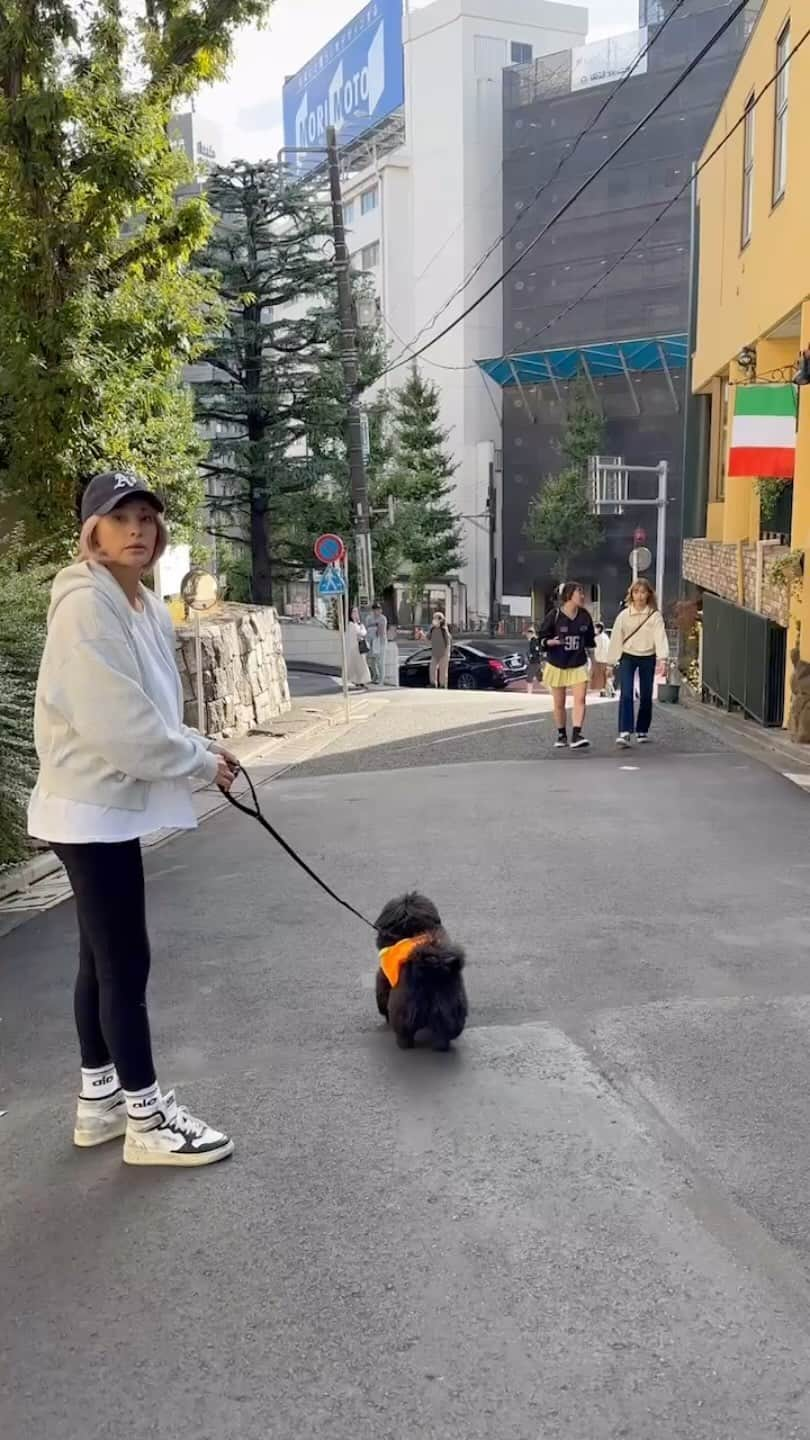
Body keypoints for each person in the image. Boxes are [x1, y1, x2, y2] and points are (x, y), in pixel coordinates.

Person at [28, 470, 238, 1168]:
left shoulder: (139, 603)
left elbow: (149, 711)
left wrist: (203, 748)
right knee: (125, 961)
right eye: (122, 519)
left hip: (100, 806)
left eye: (147, 517)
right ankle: (147, 1118)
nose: (139, 530)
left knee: (100, 957)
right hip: (89, 809)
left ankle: (101, 1101)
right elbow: (117, 724)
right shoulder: (86, 606)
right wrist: (199, 765)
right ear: (93, 532)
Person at [607, 578, 669, 747]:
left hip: (648, 656)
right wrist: (610, 662)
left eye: (643, 592)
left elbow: (660, 637)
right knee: (626, 693)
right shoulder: (624, 615)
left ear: (649, 594)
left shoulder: (654, 615)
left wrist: (662, 658)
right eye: (636, 592)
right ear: (631, 595)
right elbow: (616, 639)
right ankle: (625, 731)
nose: (640, 596)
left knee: (646, 694)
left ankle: (642, 729)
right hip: (628, 656)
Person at [539, 581, 595, 750]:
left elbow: (590, 642)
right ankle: (562, 734)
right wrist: (549, 641)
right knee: (559, 702)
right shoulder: (554, 615)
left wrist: (594, 664)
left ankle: (577, 734)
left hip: (578, 663)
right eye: (580, 593)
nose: (583, 596)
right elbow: (541, 638)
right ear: (569, 595)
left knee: (580, 699)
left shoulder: (585, 616)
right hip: (557, 663)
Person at [347, 605, 371, 689]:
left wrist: (361, 627)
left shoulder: (358, 624)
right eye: (353, 612)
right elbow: (362, 633)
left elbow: (363, 632)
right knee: (359, 665)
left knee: (362, 665)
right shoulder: (351, 624)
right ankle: (359, 681)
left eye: (356, 612)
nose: (355, 614)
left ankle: (360, 681)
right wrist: (361, 629)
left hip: (360, 648)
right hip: (354, 648)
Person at [367, 602, 388, 686]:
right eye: (375, 610)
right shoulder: (369, 618)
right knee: (371, 660)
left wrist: (376, 628)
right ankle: (375, 676)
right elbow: (367, 628)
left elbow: (381, 631)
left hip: (380, 642)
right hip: (371, 641)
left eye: (379, 610)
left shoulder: (383, 618)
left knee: (380, 661)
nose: (377, 611)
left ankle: (381, 680)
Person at [590, 622, 614, 697]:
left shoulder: (598, 638)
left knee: (602, 676)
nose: (594, 630)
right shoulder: (605, 637)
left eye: (595, 628)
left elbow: (597, 649)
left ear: (599, 628)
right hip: (607, 659)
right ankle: (607, 690)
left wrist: (595, 658)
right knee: (606, 676)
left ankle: (608, 690)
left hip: (600, 660)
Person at [429, 611, 452, 689]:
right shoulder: (432, 629)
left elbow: (448, 642)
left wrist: (446, 653)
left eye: (436, 618)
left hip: (443, 653)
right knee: (432, 668)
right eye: (434, 618)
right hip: (435, 652)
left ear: (441, 620)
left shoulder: (444, 630)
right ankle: (433, 683)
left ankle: (442, 685)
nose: (434, 620)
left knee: (443, 670)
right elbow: (428, 637)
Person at [526, 625, 543, 695]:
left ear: (532, 633)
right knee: (541, 679)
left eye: (528, 633)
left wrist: (531, 656)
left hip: (534, 662)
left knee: (529, 678)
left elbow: (537, 651)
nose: (527, 635)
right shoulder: (534, 641)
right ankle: (552, 692)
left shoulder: (534, 641)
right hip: (537, 662)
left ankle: (529, 693)